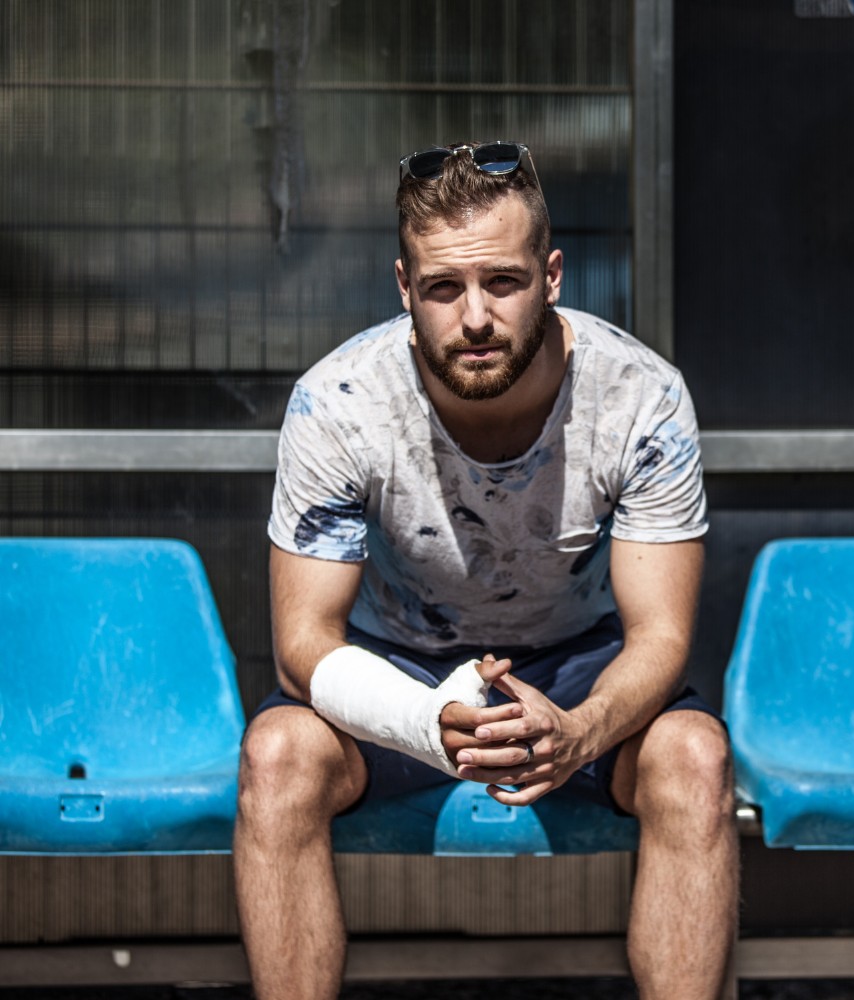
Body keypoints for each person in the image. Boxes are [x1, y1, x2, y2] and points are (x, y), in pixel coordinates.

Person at [234, 140, 738, 1000]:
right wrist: (424, 717)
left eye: (501, 282)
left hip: (577, 669)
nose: (474, 318)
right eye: (443, 288)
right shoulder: (339, 401)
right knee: (277, 755)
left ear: (551, 275)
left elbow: (662, 636)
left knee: (693, 755)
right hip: (394, 669)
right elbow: (302, 645)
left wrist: (581, 728)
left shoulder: (640, 396)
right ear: (405, 288)